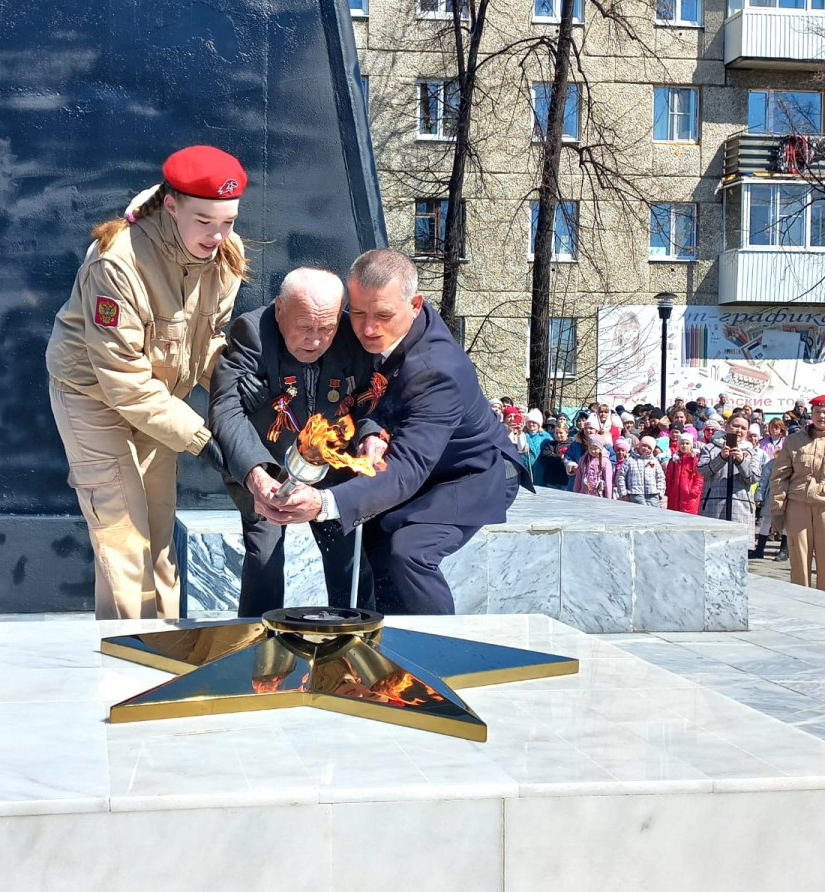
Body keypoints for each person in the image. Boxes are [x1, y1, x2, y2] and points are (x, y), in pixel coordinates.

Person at [262, 248, 528, 615]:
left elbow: (406, 471)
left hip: (469, 471)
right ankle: (385, 647)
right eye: (357, 313)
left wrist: (324, 504)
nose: (368, 329)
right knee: (370, 537)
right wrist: (372, 430)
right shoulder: (371, 327)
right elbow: (358, 395)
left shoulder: (438, 372)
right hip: (415, 459)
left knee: (408, 551)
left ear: (415, 304)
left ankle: (438, 652)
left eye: (383, 315)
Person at [45, 145, 247, 619]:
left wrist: (235, 384)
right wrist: (203, 437)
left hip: (160, 400)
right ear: (171, 204)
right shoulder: (116, 263)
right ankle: (124, 660)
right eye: (205, 221)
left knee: (158, 537)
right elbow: (124, 383)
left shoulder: (224, 256)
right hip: (92, 398)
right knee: (124, 537)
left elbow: (206, 338)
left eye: (229, 222)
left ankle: (165, 651)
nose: (218, 236)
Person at [208, 268, 375, 616]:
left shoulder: (349, 334)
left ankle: (355, 640)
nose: (315, 340)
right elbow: (225, 409)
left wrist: (369, 434)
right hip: (269, 467)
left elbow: (371, 394)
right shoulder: (252, 331)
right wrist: (256, 476)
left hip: (332, 467)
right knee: (264, 558)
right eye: (304, 327)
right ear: (280, 309)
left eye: (325, 329)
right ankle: (257, 643)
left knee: (350, 561)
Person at [768, 395, 825, 593]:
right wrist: (777, 509)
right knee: (798, 560)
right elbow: (779, 477)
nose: (821, 416)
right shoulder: (794, 441)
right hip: (798, 506)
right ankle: (800, 608)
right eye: (817, 412)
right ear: (811, 414)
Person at [699, 413, 762, 551]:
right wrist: (721, 457)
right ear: (726, 426)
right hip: (713, 507)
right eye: (735, 426)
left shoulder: (752, 453)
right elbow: (702, 471)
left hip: (741, 508)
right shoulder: (710, 448)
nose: (739, 430)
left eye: (743, 428)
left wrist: (741, 461)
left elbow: (754, 478)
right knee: (713, 551)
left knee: (737, 553)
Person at [665, 432, 703, 514]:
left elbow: (699, 477)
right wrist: (669, 490)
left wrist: (694, 491)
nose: (684, 446)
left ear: (691, 445)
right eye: (682, 443)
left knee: (689, 517)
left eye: (687, 443)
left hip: (690, 497)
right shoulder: (674, 460)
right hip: (674, 495)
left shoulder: (695, 460)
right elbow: (668, 476)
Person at [573, 434, 614, 499]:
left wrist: (608, 498)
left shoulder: (605, 462)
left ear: (600, 448)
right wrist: (575, 494)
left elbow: (608, 481)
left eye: (595, 448)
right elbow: (578, 478)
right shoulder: (583, 460)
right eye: (591, 448)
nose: (593, 451)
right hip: (583, 494)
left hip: (599, 495)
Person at [538, 422, 572, 490]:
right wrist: (559, 456)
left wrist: (553, 457)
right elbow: (545, 457)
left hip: (565, 480)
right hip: (551, 480)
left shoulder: (571, 445)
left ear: (567, 433)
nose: (558, 435)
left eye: (561, 433)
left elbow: (567, 460)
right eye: (556, 433)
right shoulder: (551, 445)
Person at [523, 409, 551, 485]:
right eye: (529, 422)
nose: (531, 424)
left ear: (538, 423)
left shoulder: (546, 436)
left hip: (541, 468)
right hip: (525, 467)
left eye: (534, 422)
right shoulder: (522, 435)